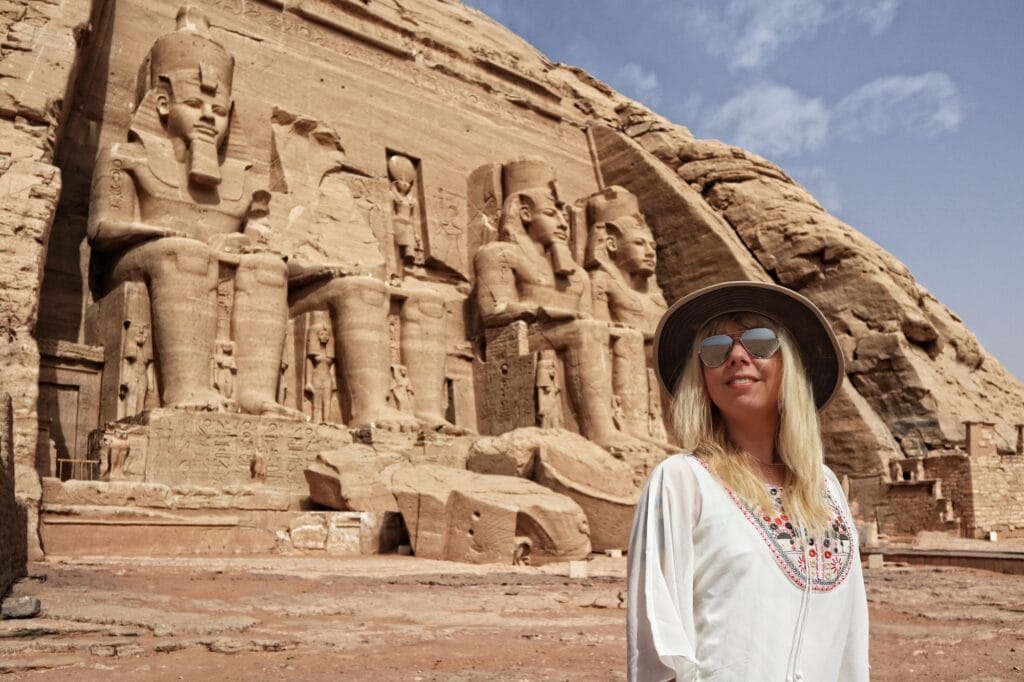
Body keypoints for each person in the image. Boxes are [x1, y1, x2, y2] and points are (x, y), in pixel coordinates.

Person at [627, 281, 869, 681]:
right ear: (700, 377)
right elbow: (658, 645)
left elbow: (852, 642)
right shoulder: (682, 482)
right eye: (714, 349)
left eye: (760, 341)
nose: (737, 356)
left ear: (789, 364)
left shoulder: (825, 488)